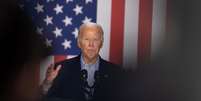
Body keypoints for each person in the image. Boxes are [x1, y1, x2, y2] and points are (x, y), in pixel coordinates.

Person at [40, 22, 125, 101]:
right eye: (87, 39)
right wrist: (47, 84)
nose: (91, 44)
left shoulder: (116, 72)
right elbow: (45, 98)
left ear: (101, 43)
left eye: (95, 39)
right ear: (79, 43)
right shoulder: (61, 69)